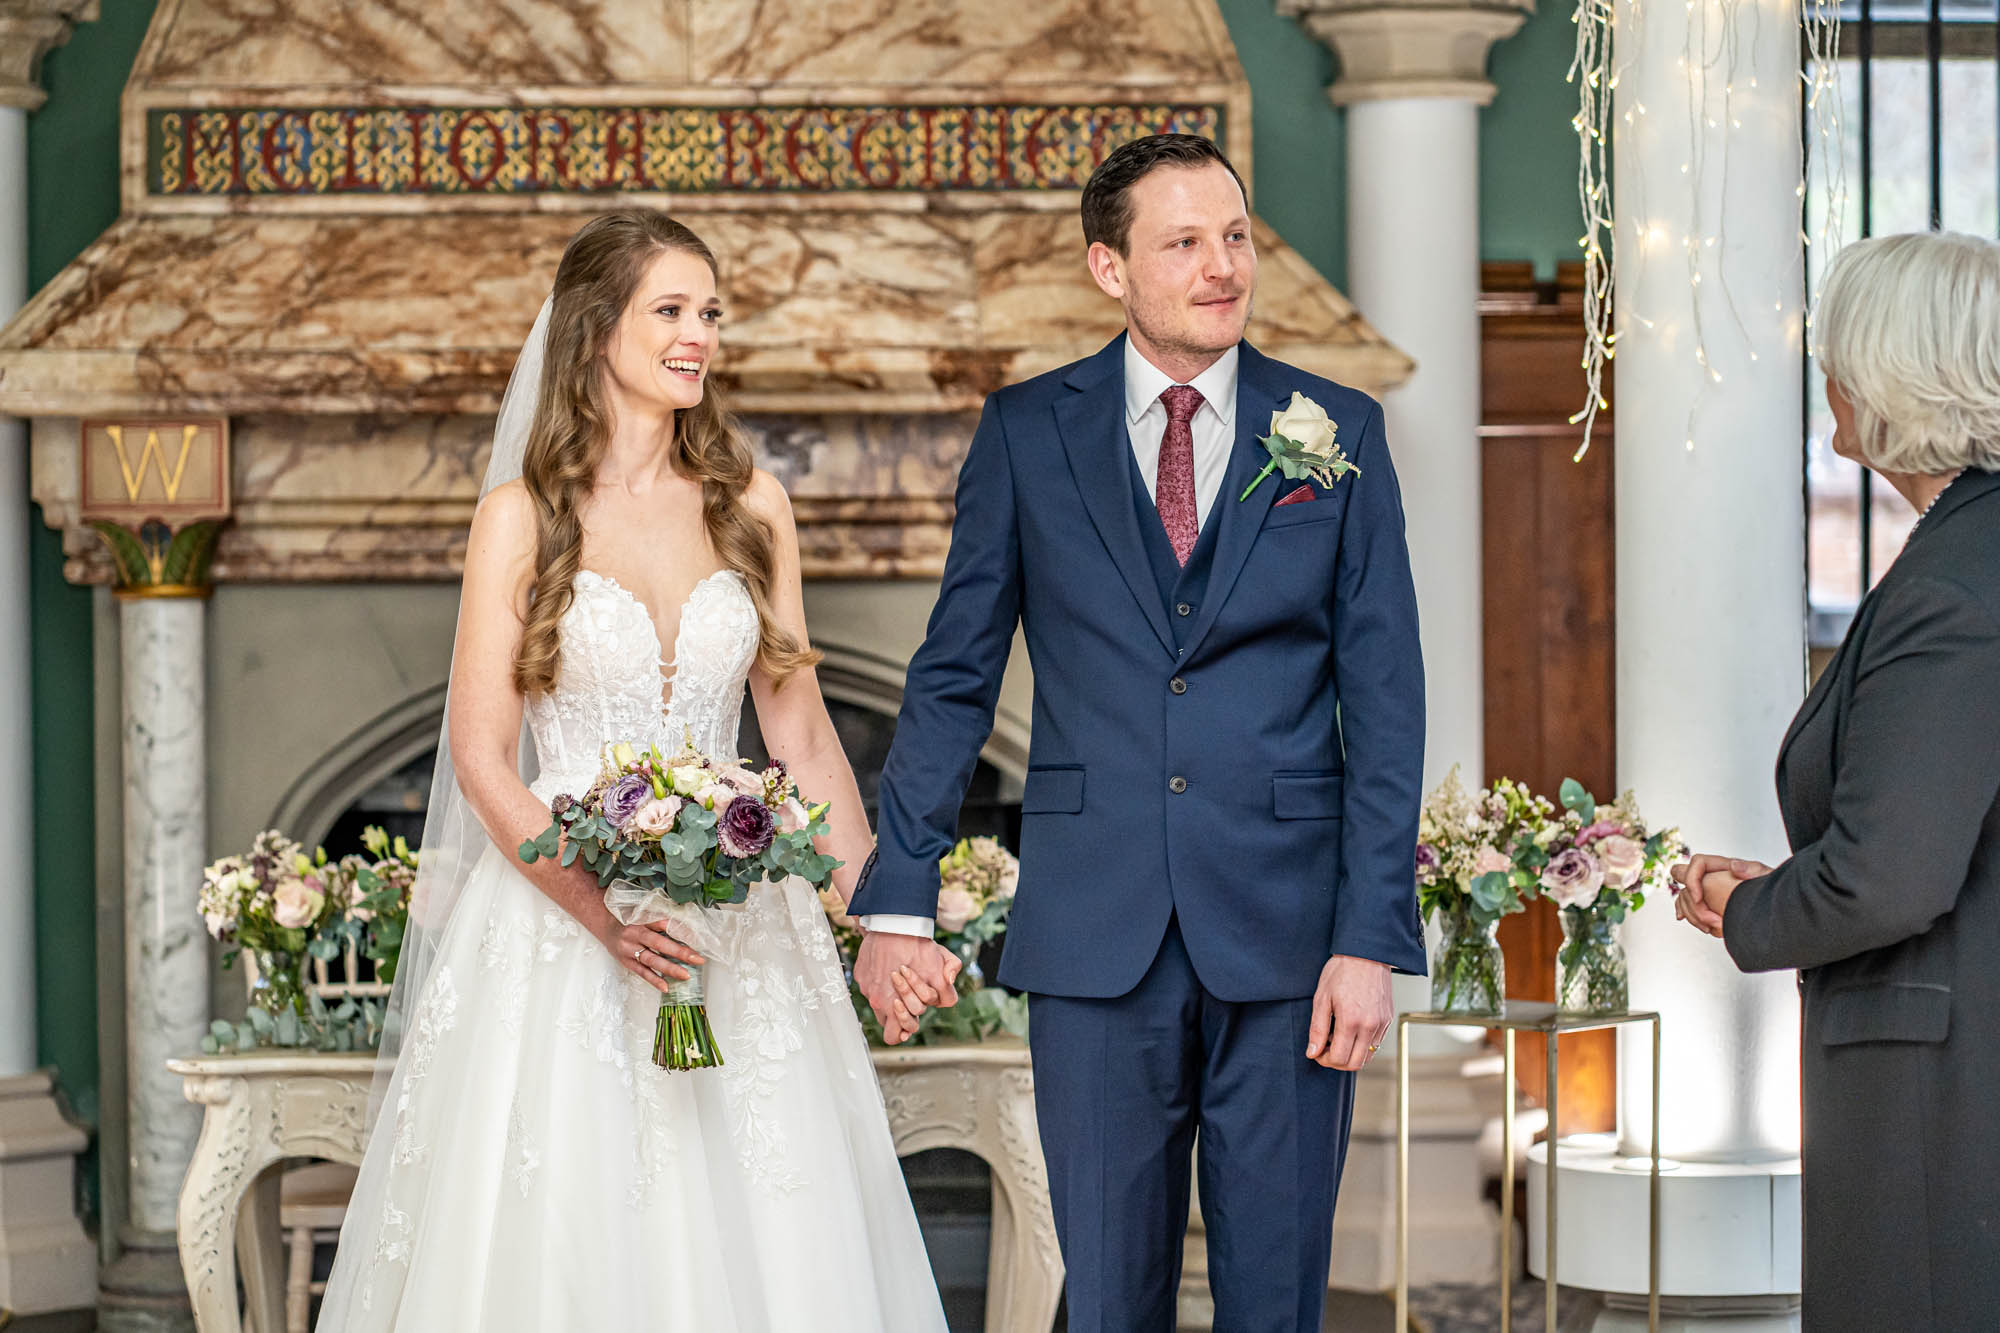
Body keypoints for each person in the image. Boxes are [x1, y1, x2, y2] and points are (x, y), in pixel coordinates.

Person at [315, 209, 953, 1331]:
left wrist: (882, 916)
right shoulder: (520, 519)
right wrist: (601, 913)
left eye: (708, 312)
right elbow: (479, 754)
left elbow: (799, 740)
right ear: (595, 326)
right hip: (560, 935)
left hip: (739, 930)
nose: (698, 334)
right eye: (670, 310)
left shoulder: (753, 508)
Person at [850, 133, 1428, 1332]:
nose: (1222, 267)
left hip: (1289, 939)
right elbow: (954, 676)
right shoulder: (1023, 432)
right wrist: (896, 897)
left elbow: (1385, 700)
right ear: (1109, 269)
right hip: (1092, 930)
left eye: (1234, 237)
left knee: (1276, 1302)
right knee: (1109, 1300)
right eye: (1183, 243)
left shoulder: (1339, 431)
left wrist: (1370, 935)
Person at [1672, 230, 2000, 1331]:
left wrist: (1748, 908)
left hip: (1939, 1093)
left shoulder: (1955, 584)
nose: (1822, 376)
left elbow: (1889, 881)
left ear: (1887, 372)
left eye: (1832, 352)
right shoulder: (1964, 550)